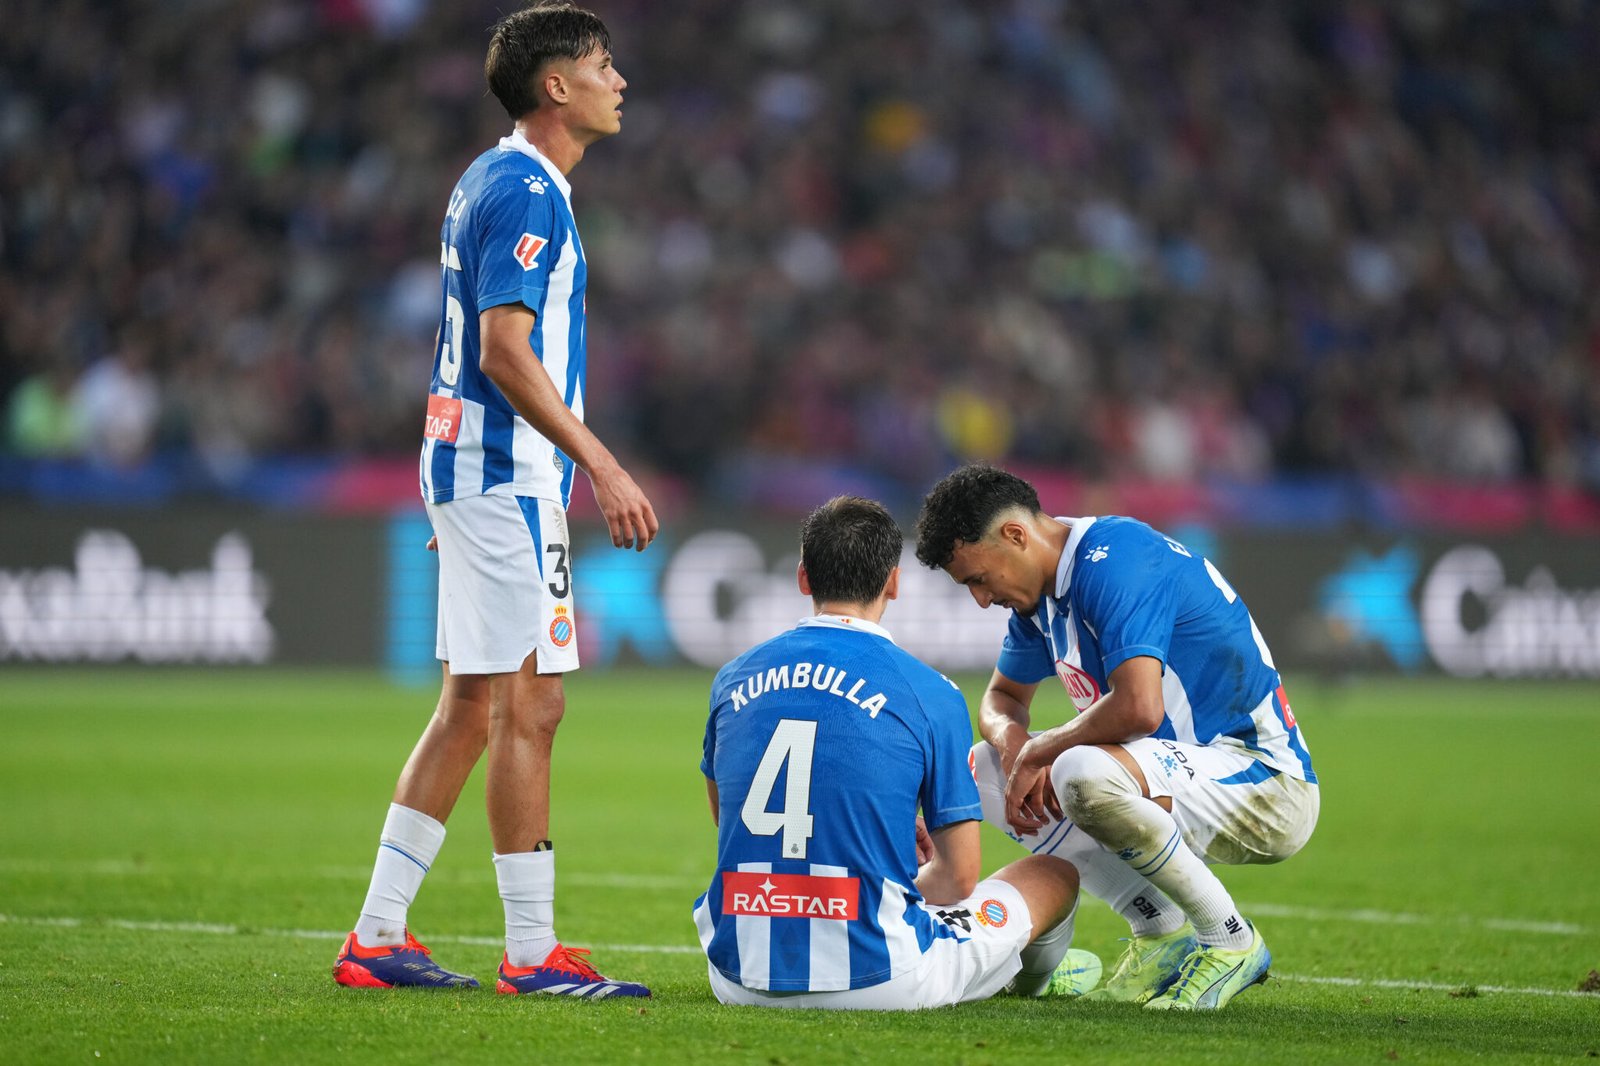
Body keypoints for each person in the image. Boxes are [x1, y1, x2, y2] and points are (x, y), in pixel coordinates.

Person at [332, 1, 658, 998]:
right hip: (506, 475)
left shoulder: (491, 175)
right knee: (533, 702)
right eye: (602, 64)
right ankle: (531, 953)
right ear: (555, 84)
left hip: (472, 470)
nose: (619, 80)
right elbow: (502, 350)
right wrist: (600, 463)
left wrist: (455, 496)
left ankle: (378, 936)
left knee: (472, 707)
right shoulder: (528, 193)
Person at [913, 463, 1319, 1011]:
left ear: (1015, 535)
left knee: (1078, 770)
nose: (981, 600)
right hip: (1176, 774)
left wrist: (1041, 748)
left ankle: (1230, 940)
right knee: (986, 769)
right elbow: (1000, 700)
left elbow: (1139, 707)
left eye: (978, 580)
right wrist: (1014, 746)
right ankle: (1160, 932)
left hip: (1263, 781)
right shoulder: (1042, 599)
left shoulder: (1116, 560)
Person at [694, 496, 1081, 1010]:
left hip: (738, 975)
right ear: (894, 584)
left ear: (803, 578)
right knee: (1054, 873)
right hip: (880, 978)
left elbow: (730, 821)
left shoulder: (733, 677)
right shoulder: (930, 691)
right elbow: (959, 878)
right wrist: (882, 871)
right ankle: (1024, 983)